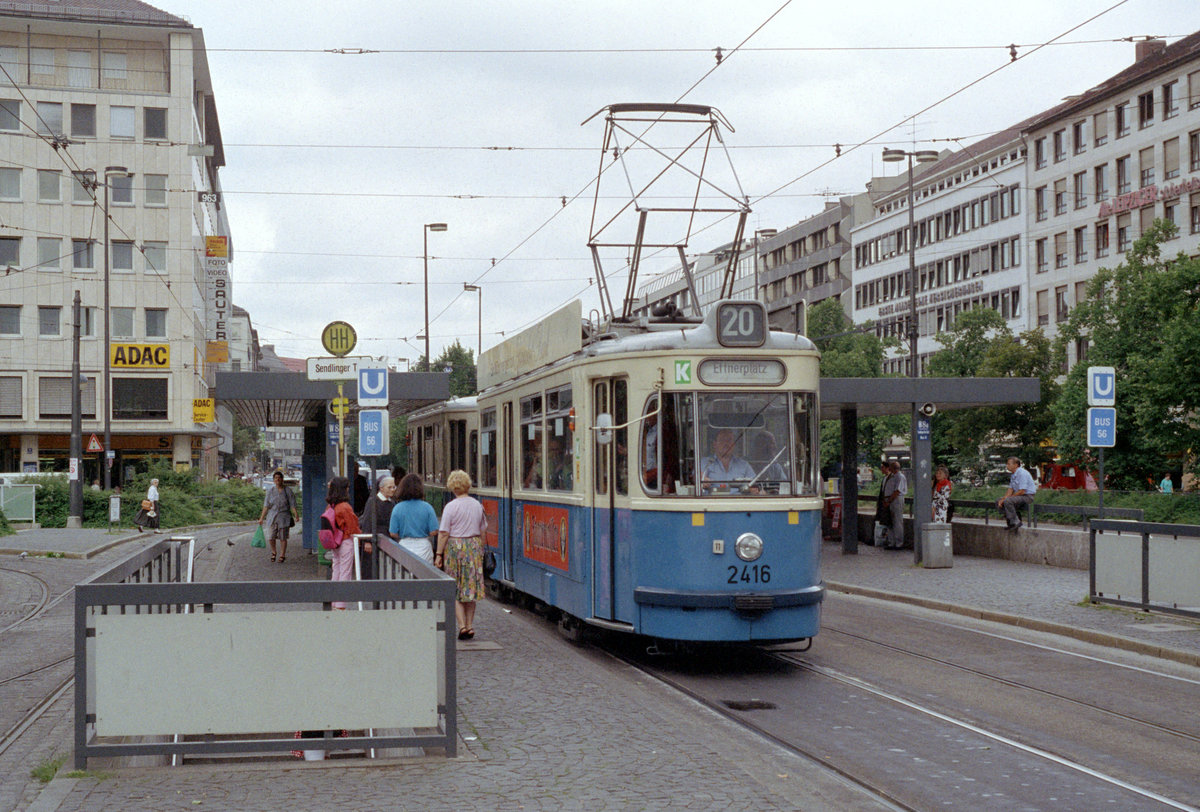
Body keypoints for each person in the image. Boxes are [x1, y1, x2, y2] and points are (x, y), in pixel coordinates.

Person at [435, 470, 487, 640]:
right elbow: (482, 530)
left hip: (455, 547)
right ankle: (470, 626)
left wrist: (439, 554)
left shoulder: (451, 506)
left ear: (452, 487)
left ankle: (462, 626)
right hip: (473, 546)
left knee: (455, 587)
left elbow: (443, 533)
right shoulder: (477, 505)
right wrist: (481, 550)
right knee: (471, 588)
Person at [325, 476, 361, 609]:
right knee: (345, 572)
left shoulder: (331, 505)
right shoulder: (345, 507)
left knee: (336, 570)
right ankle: (341, 604)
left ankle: (333, 601)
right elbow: (352, 527)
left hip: (335, 542)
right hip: (346, 541)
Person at [388, 473, 439, 563]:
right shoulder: (427, 507)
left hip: (404, 546)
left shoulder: (397, 508)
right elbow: (434, 531)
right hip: (423, 546)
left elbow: (393, 533)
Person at [356, 476, 395, 579]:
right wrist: (368, 541)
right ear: (381, 488)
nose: (392, 490)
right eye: (389, 487)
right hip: (374, 540)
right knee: (372, 567)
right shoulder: (373, 501)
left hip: (387, 540)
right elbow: (367, 521)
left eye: (393, 487)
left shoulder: (392, 503)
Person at [258, 471, 299, 563]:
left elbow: (292, 504)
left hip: (284, 516)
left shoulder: (288, 490)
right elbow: (266, 505)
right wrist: (261, 518)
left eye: (279, 478)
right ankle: (273, 552)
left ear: (282, 479)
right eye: (276, 478)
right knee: (271, 536)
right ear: (273, 480)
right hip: (272, 516)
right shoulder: (270, 491)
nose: (278, 479)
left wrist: (296, 514)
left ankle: (282, 555)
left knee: (283, 537)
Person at [997, 456, 1037, 532]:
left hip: (1027, 496)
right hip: (1019, 496)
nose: (1007, 466)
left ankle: (1016, 522)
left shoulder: (1022, 473)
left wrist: (1008, 498)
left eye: (1009, 464)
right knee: (999, 500)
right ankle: (1011, 522)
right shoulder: (1013, 475)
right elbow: (1010, 489)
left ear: (1015, 465)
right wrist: (1003, 499)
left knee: (1008, 501)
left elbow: (1022, 491)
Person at [881, 460, 907, 549]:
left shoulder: (900, 477)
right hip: (889, 499)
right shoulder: (891, 476)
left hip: (896, 499)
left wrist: (888, 501)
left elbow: (897, 491)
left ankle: (899, 543)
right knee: (890, 522)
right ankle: (891, 542)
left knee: (897, 521)